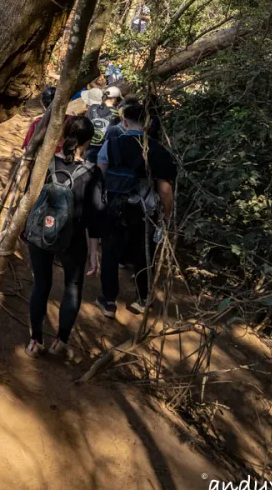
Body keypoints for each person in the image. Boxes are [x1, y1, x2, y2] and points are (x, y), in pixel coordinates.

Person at [23, 115, 105, 359]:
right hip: (74, 238)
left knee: (41, 284)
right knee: (72, 286)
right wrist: (94, 253)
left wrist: (24, 228)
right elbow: (95, 216)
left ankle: (35, 341)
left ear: (64, 136)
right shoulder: (91, 173)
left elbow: (30, 195)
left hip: (40, 232)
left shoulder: (46, 163)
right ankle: (60, 341)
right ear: (88, 142)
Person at [95, 101, 177, 318]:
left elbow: (100, 176)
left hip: (113, 208)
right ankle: (142, 299)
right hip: (143, 212)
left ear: (124, 121)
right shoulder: (157, 150)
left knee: (110, 254)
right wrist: (166, 217)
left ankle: (109, 302)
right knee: (143, 255)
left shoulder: (110, 144)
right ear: (148, 124)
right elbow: (165, 190)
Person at [84, 85, 123, 164]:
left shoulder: (92, 108)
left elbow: (84, 126)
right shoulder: (116, 115)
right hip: (105, 153)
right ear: (115, 99)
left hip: (88, 150)